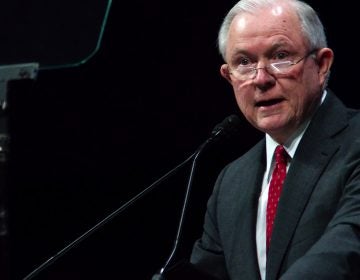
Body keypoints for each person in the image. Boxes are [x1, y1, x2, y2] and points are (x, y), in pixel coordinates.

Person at [188, 0, 360, 279]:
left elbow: (348, 246)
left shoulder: (354, 142)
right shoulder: (231, 183)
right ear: (228, 76)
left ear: (321, 65)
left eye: (280, 55)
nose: (261, 78)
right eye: (244, 62)